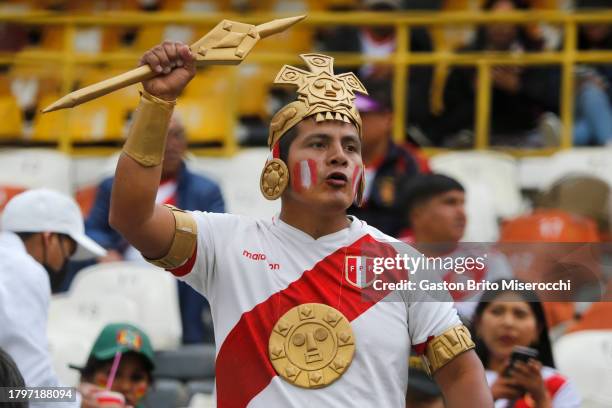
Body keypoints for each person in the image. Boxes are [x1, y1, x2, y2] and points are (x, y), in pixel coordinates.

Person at [108, 40, 493, 407]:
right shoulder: (225, 243)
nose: (339, 156)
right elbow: (132, 216)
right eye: (319, 144)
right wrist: (158, 102)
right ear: (279, 165)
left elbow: (461, 374)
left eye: (351, 146)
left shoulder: (403, 265)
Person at [84, 113, 224, 344]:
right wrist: (106, 252)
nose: (172, 144)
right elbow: (92, 231)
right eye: (163, 136)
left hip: (181, 276)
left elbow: (216, 239)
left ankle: (189, 340)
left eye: (178, 135)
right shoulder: (113, 186)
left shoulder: (206, 190)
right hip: (125, 271)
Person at [0, 189, 106, 407]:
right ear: (48, 238)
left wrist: (70, 395)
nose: (65, 262)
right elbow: (27, 386)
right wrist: (79, 403)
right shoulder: (25, 269)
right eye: (68, 250)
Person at [431, 0, 560, 147]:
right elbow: (449, 106)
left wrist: (518, 87)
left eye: (507, 21)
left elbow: (552, 102)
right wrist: (475, 88)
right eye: (495, 20)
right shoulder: (466, 57)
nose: (501, 27)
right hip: (475, 134)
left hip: (524, 135)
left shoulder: (534, 56)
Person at [398, 174, 513, 320]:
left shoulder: (490, 261)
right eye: (450, 203)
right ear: (417, 213)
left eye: (462, 203)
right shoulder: (385, 256)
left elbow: (506, 317)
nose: (461, 213)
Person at [472, 280, 581, 407]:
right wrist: (488, 397)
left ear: (538, 329)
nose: (508, 322)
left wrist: (541, 398)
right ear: (478, 324)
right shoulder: (460, 378)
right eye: (497, 311)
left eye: (520, 314)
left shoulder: (557, 385)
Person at [348, 83, 427, 237]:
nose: (350, 122)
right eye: (345, 115)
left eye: (360, 115)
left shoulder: (410, 162)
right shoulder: (331, 161)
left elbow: (423, 215)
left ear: (388, 119)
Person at [75, 323, 155, 408]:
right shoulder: (73, 399)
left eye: (136, 378)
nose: (125, 386)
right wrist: (77, 401)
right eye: (113, 374)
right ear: (88, 375)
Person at [572, 0, 612, 146]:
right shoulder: (572, 35)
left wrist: (605, 88)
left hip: (606, 109)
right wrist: (572, 84)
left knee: (583, 130)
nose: (591, 25)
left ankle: (565, 137)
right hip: (576, 107)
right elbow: (550, 80)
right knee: (589, 92)